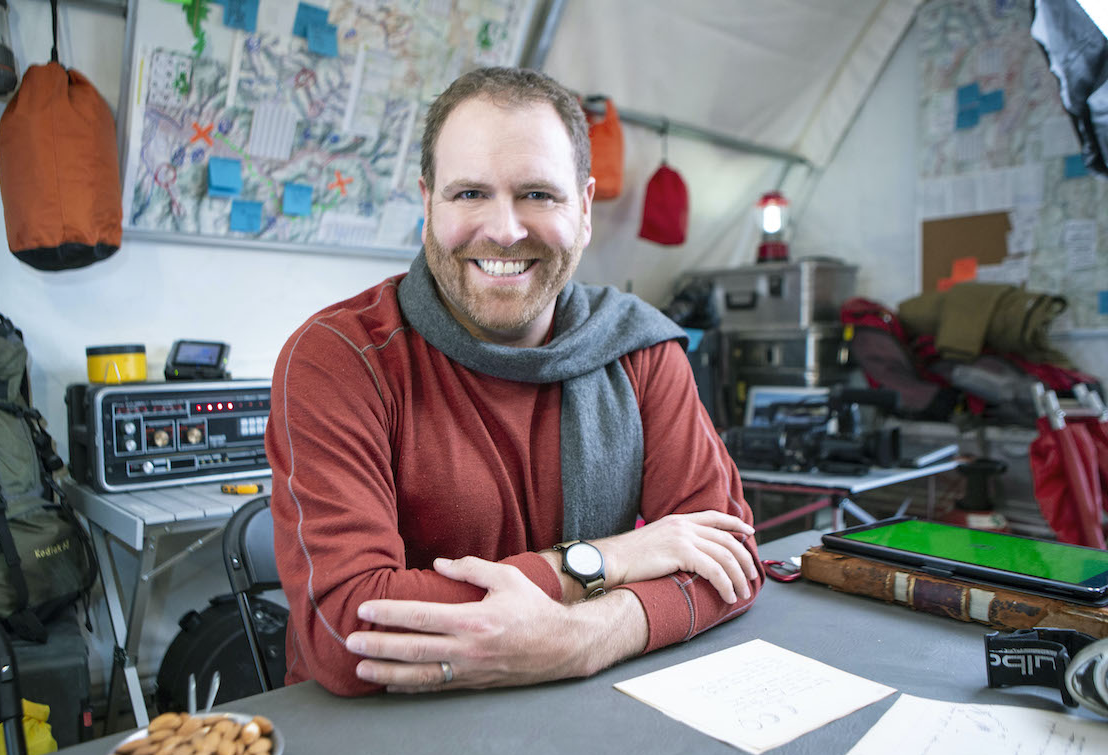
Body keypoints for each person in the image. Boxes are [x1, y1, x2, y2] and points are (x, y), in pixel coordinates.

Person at [266, 66, 762, 697]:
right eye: (470, 194)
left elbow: (730, 565)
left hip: (584, 721)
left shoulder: (641, 349)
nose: (505, 229)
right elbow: (347, 635)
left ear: (583, 209)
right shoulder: (339, 360)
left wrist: (582, 640)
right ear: (427, 204)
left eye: (538, 194)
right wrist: (612, 561)